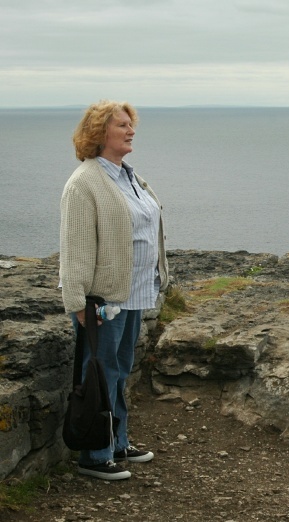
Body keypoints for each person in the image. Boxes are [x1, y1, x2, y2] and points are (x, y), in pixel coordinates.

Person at [60, 100, 169, 480]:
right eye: (122, 125)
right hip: (103, 300)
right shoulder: (85, 182)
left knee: (120, 370)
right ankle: (94, 455)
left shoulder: (128, 177)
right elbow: (75, 247)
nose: (130, 130)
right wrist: (77, 302)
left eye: (130, 124)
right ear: (99, 133)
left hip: (135, 293)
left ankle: (118, 441)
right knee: (101, 374)